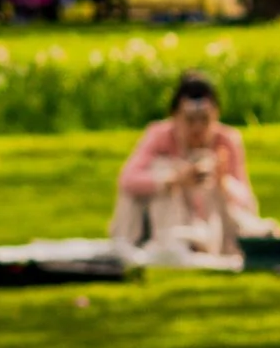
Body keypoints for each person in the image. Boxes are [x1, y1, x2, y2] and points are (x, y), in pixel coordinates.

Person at [108, 72, 270, 257]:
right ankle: (166, 243)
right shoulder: (159, 135)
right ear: (175, 116)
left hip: (212, 225)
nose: (197, 128)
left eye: (204, 120)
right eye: (190, 120)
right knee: (162, 167)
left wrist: (223, 181)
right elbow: (128, 179)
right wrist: (174, 179)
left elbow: (248, 201)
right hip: (166, 220)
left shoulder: (227, 141)